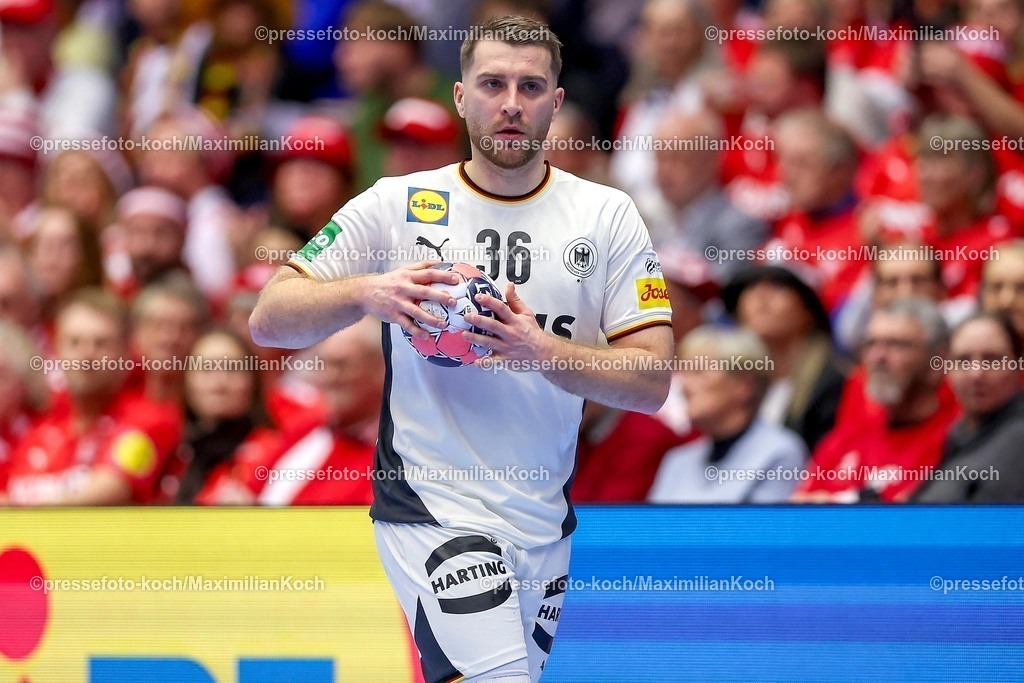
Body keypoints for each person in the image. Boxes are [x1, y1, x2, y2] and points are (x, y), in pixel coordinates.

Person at [249, 16, 673, 683]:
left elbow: (651, 381)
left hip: (542, 519)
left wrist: (540, 349)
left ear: (555, 104)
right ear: (459, 97)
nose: (510, 102)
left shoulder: (606, 214)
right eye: (492, 84)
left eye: (531, 86)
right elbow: (269, 318)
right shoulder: (397, 204)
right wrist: (368, 291)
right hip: (430, 505)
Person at [4, 289, 183, 505]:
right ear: (57, 350)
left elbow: (108, 493)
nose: (86, 355)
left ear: (126, 352)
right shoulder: (38, 431)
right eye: (74, 342)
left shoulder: (150, 420)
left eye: (100, 343)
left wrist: (15, 510)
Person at [792, 298, 961, 503]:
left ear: (939, 359)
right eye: (871, 344)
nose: (878, 356)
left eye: (898, 344)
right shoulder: (842, 439)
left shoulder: (956, 441)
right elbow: (798, 512)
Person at [648, 325, 807, 503]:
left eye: (699, 373)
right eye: (684, 374)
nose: (684, 387)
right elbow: (655, 529)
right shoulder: (677, 462)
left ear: (744, 386)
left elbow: (761, 529)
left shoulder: (780, 453)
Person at [914, 313, 1024, 502]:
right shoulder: (957, 434)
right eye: (963, 360)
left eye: (992, 360)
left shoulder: (1018, 439)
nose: (976, 373)